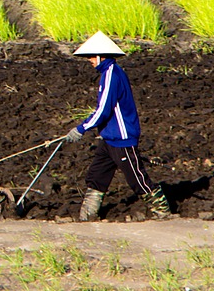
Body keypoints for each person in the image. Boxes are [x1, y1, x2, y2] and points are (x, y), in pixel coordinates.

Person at [65, 31, 172, 221]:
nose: (89, 60)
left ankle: (163, 213)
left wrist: (81, 129)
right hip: (109, 138)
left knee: (137, 179)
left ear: (101, 56)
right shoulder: (108, 73)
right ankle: (87, 216)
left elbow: (103, 110)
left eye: (91, 56)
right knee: (97, 174)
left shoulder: (111, 74)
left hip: (122, 138)